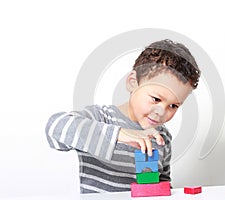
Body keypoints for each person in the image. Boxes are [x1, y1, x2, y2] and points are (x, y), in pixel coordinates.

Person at [45, 39, 201, 193]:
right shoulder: (101, 118)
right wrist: (119, 133)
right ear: (133, 82)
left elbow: (162, 185)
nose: (161, 112)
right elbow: (54, 127)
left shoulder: (163, 137)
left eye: (173, 106)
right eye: (156, 99)